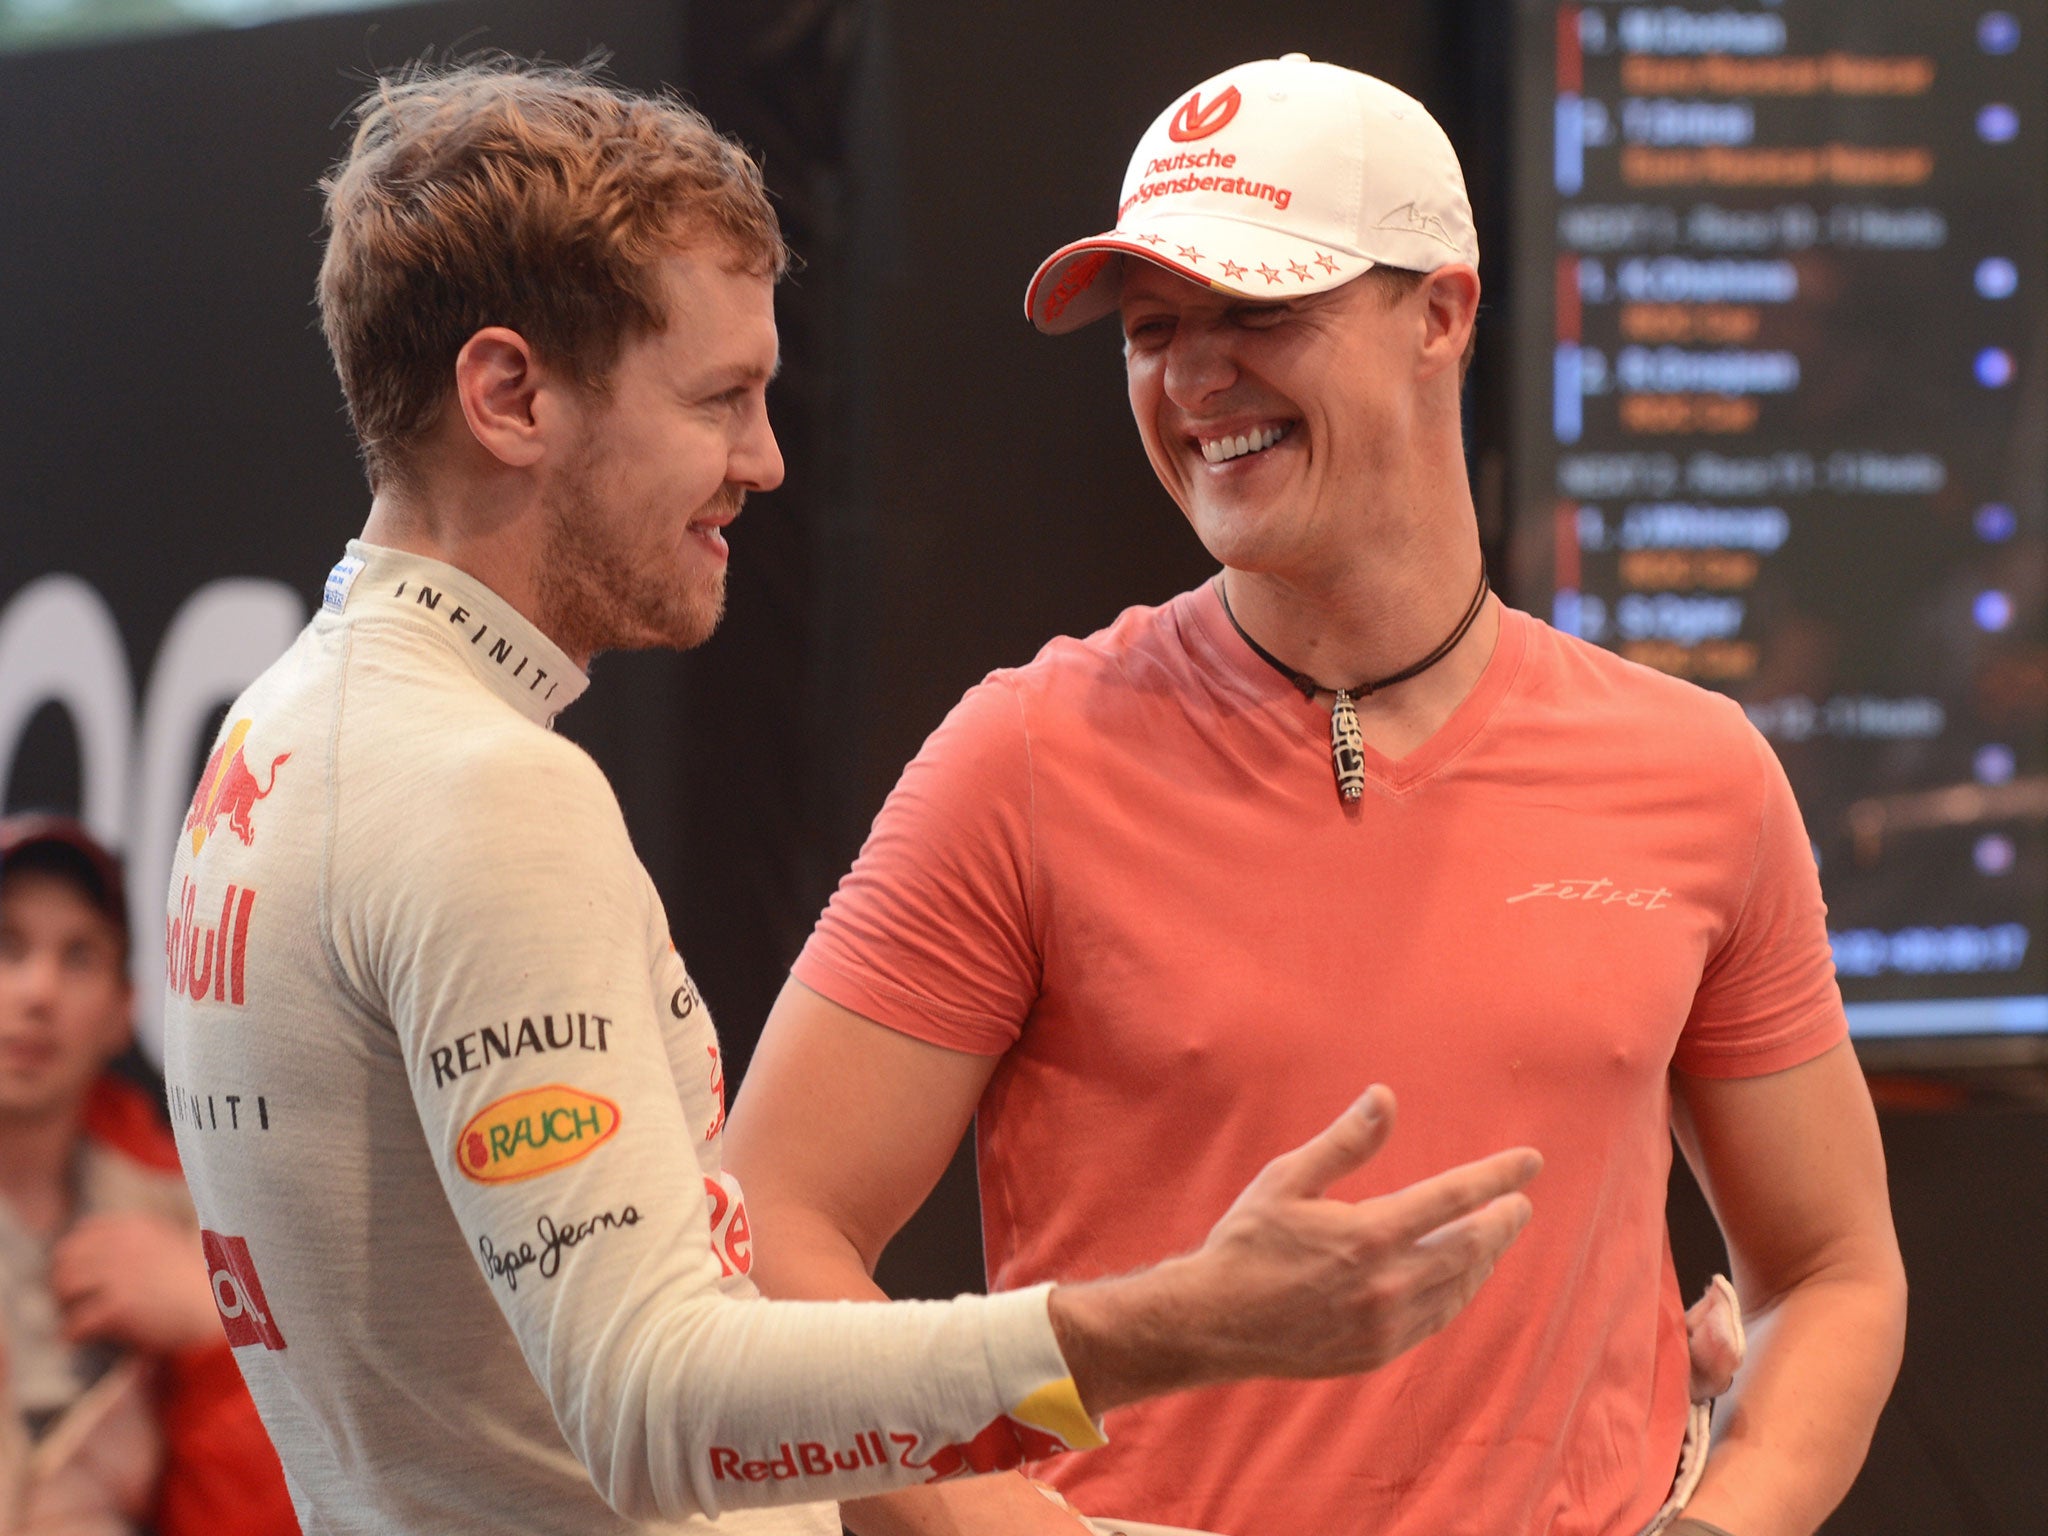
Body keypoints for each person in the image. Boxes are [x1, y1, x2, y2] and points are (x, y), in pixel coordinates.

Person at [158, 59, 1545, 1536]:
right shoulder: (478, 789)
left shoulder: (292, 731)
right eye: (721, 399)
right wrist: (1179, 1326)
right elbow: (654, 1409)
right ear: (508, 396)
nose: (762, 460)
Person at [725, 54, 1908, 1536]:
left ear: (1442, 315)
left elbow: (1833, 1271)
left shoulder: (1695, 770)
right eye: (1153, 330)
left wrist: (1717, 1527)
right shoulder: (1027, 756)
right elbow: (767, 1223)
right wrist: (982, 1526)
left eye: (1259, 311)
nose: (1192, 376)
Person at [0, 814, 296, 1536]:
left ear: (122, 1012)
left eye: (79, 957)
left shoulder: (194, 1219)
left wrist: (219, 1319)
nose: (39, 990)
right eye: (6, 946)